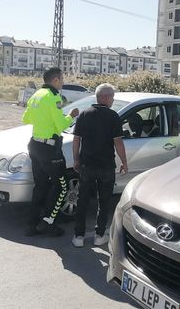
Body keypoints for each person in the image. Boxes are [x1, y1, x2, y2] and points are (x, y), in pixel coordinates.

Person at [22, 67, 79, 237]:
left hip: (34, 145)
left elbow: (26, 119)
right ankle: (48, 222)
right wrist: (71, 115)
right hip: (49, 149)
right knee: (62, 187)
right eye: (62, 78)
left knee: (40, 185)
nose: (63, 81)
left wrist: (44, 121)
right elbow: (62, 125)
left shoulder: (36, 95)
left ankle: (31, 225)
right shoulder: (54, 97)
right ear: (55, 80)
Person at [72, 83, 128, 248]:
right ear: (106, 97)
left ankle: (78, 236)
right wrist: (124, 162)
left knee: (82, 201)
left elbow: (77, 140)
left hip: (86, 165)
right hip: (106, 167)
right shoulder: (113, 117)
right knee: (104, 202)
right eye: (112, 97)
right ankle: (99, 235)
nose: (112, 100)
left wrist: (76, 159)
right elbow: (118, 143)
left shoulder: (83, 114)